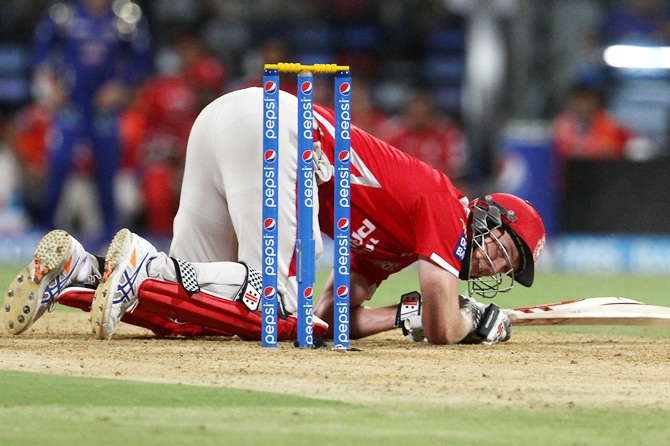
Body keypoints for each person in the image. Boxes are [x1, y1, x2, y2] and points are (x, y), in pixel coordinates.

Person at [3, 87, 545, 345]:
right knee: (277, 300)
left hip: (227, 121)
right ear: (486, 214)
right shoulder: (447, 206)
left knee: (193, 318)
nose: (495, 259)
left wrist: (398, 316)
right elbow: (444, 331)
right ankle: (145, 264)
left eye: (506, 263)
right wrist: (470, 320)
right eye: (503, 243)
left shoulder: (396, 247)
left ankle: (79, 271)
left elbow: (330, 321)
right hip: (279, 130)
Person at [31, 0, 151, 247]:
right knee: (59, 162)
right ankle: (46, 230)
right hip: (71, 104)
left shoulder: (126, 16)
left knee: (107, 168)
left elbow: (142, 60)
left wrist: (121, 88)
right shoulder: (64, 13)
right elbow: (41, 51)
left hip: (104, 109)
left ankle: (108, 235)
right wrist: (50, 85)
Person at [553, 83, 633, 160]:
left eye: (587, 99)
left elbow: (612, 150)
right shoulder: (561, 125)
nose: (583, 105)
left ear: (595, 101)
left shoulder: (611, 125)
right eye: (579, 99)